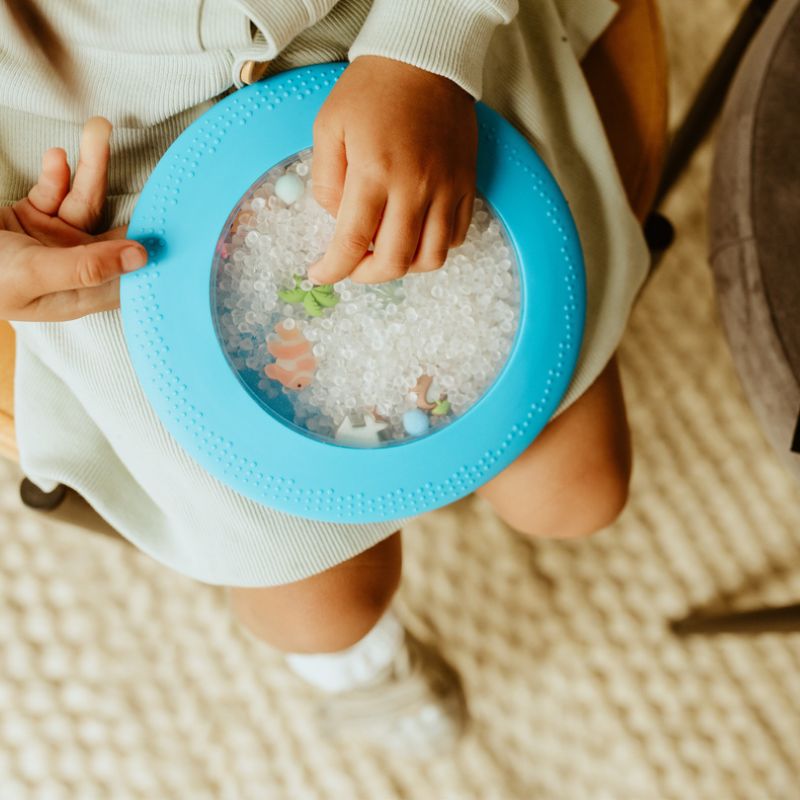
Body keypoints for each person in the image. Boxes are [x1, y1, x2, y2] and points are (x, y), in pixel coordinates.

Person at [0, 0, 646, 754]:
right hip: (102, 185)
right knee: (324, 603)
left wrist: (426, 48)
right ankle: (357, 665)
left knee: (579, 494)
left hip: (394, 61)